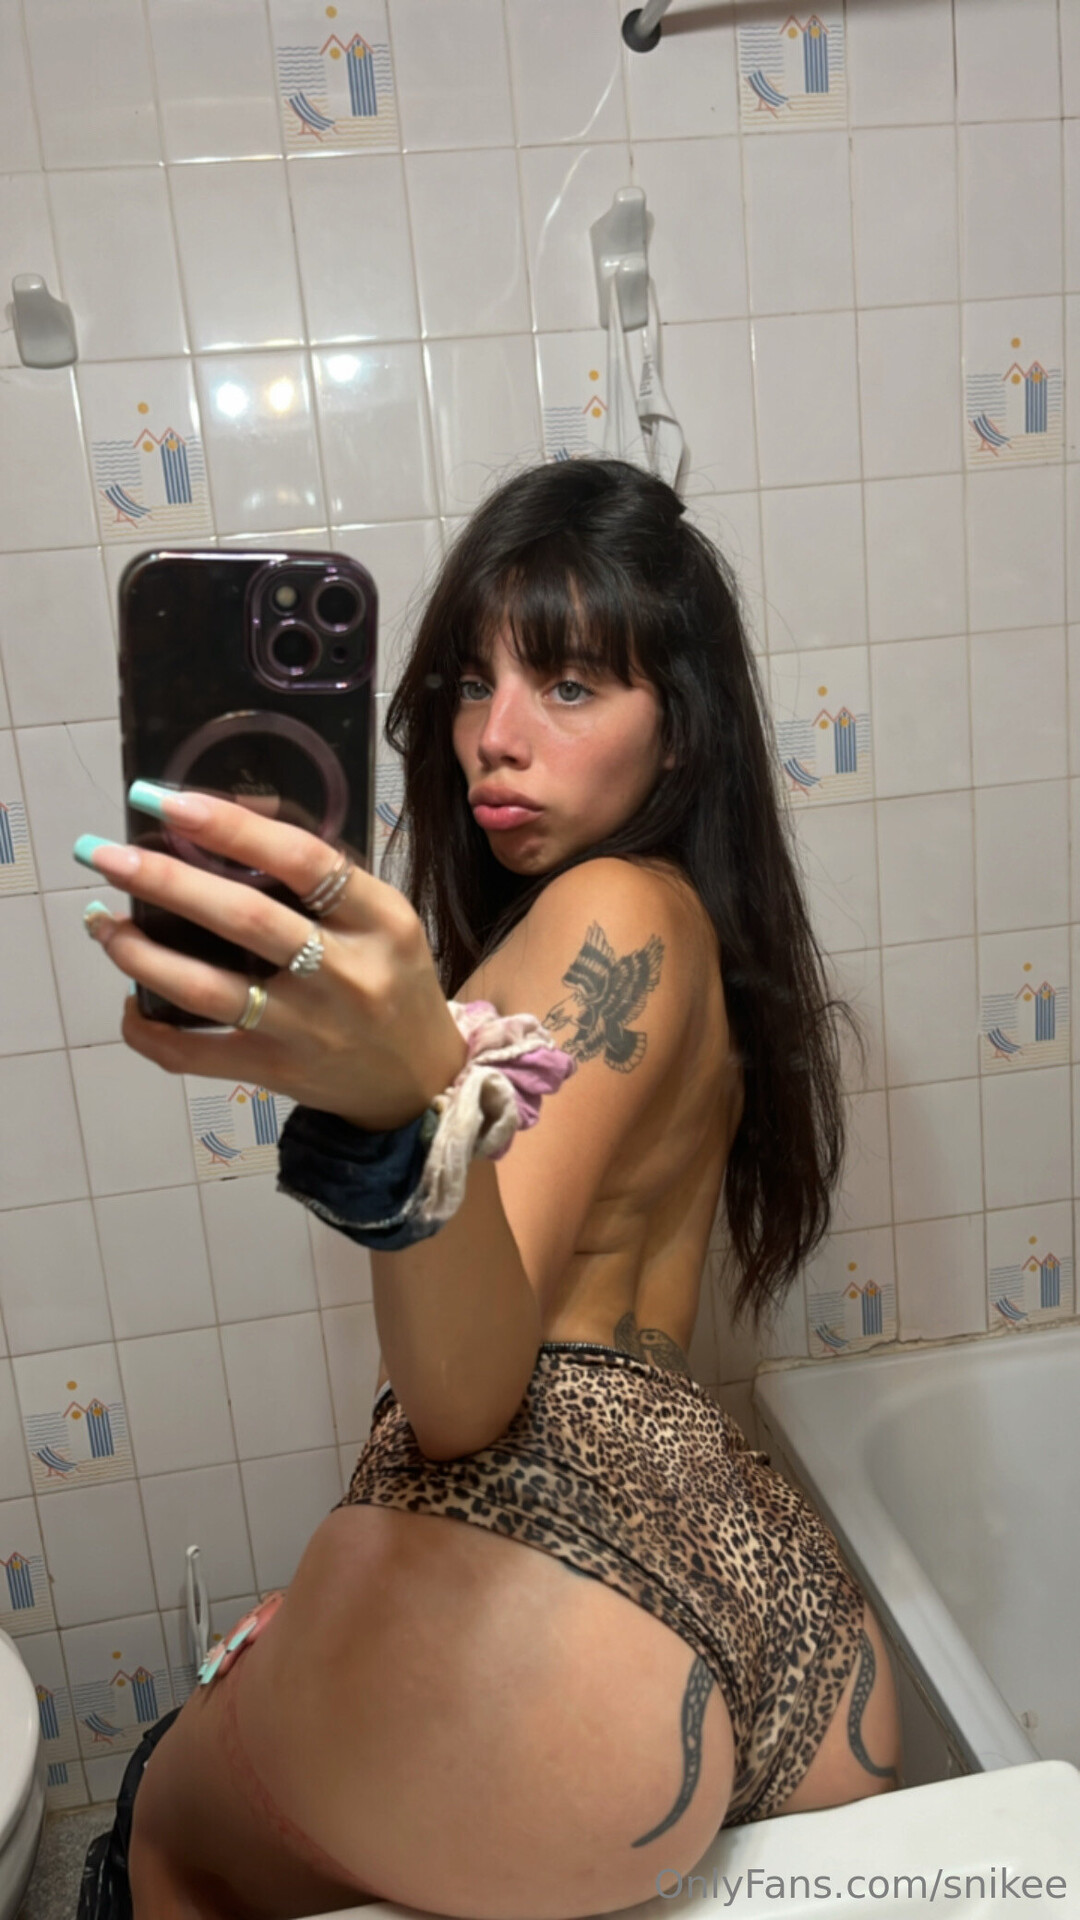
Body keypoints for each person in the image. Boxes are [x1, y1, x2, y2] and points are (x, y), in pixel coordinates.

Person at [76, 458, 901, 1920]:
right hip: (765, 1592)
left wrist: (397, 1112)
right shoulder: (687, 929)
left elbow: (468, 1403)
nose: (493, 739)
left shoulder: (608, 908)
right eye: (471, 683)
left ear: (679, 730)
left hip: (547, 1627)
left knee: (162, 1828)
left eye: (569, 686)